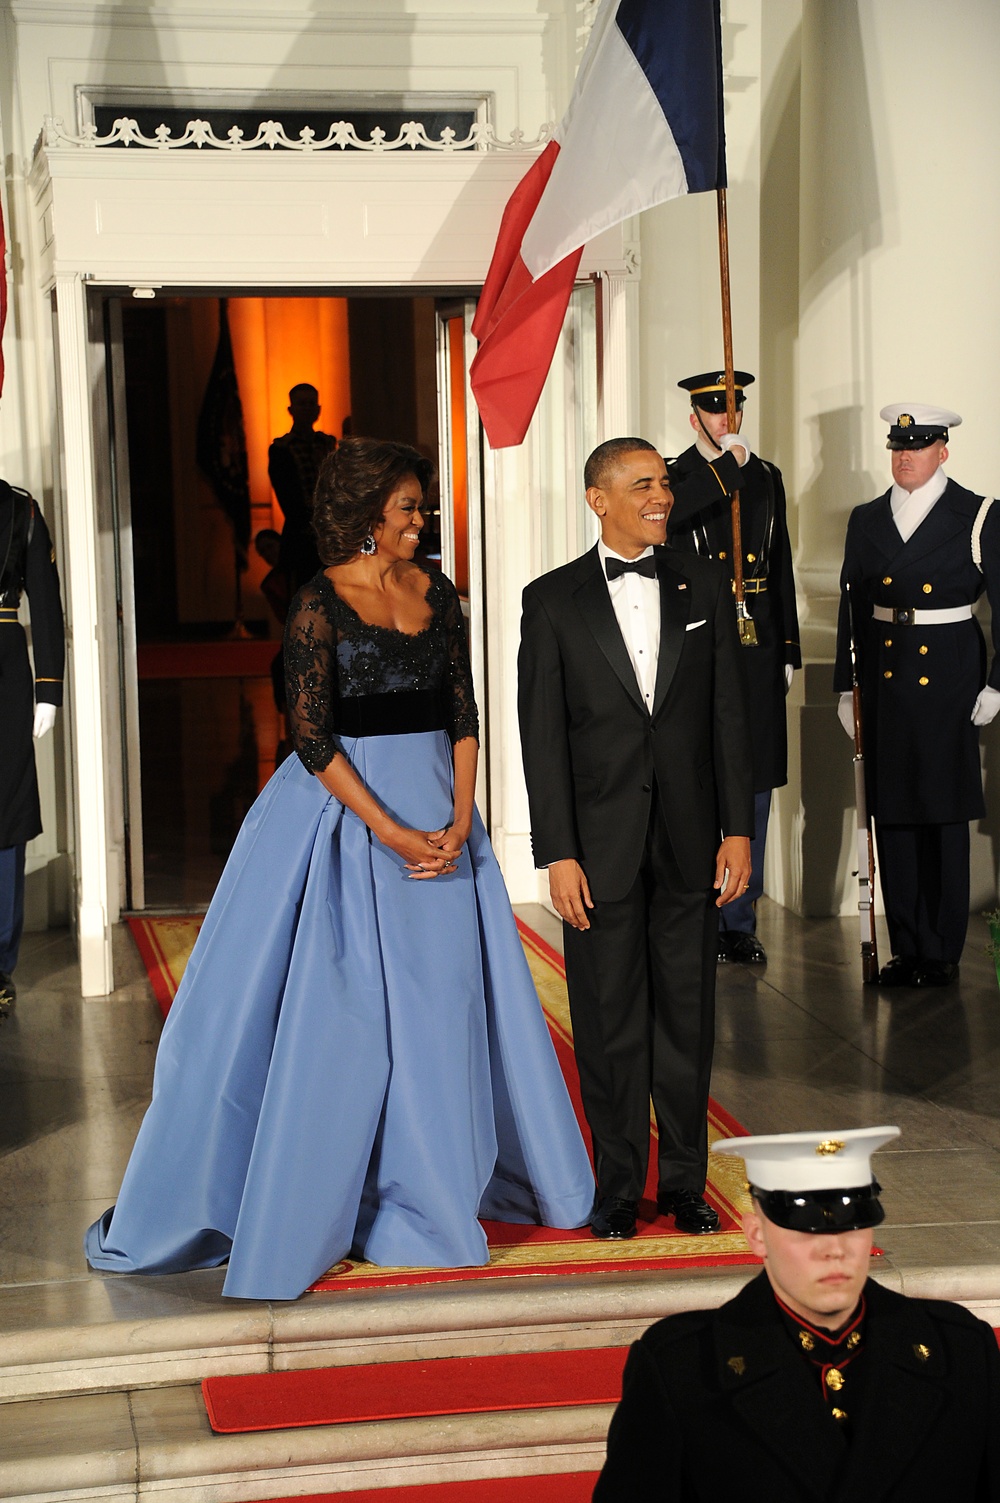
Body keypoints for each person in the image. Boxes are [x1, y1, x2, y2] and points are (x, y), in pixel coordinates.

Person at [86, 437, 594, 1300]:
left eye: (421, 507)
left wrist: (460, 813)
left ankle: (433, 1191)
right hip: (346, 820)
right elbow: (311, 737)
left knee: (443, 1010)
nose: (420, 520)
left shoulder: (442, 595)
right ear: (366, 517)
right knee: (344, 1021)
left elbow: (463, 710)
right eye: (407, 508)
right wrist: (395, 833)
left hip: (443, 812)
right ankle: (322, 1193)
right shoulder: (319, 603)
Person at [517, 438, 753, 1243]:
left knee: (686, 1018)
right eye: (643, 484)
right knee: (610, 1020)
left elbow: (728, 713)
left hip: (692, 841)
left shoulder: (703, 583)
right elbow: (542, 738)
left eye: (664, 483)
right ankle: (618, 1186)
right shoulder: (551, 600)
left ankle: (685, 1182)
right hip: (599, 847)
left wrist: (738, 829)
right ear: (598, 499)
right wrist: (559, 851)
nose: (662, 496)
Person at [595, 1126, 1000, 1500]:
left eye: (851, 1225)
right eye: (806, 1229)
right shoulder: (682, 1369)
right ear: (757, 1234)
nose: (834, 1250)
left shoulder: (961, 1351)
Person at [834, 404, 1000, 988]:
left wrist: (997, 683)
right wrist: (842, 687)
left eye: (919, 446)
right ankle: (906, 944)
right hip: (884, 674)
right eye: (897, 447)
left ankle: (941, 949)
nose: (906, 456)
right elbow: (852, 606)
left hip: (950, 676)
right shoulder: (866, 517)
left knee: (942, 813)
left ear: (943, 451)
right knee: (894, 812)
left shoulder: (978, 515)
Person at [667, 369, 801, 966]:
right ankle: (698, 908)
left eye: (734, 411)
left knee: (753, 783)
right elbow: (672, 523)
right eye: (716, 412)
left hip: (755, 648)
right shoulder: (674, 477)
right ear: (695, 417)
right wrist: (727, 472)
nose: (728, 421)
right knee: (700, 779)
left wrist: (790, 647)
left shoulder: (766, 476)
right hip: (700, 644)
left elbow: (783, 564)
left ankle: (739, 919)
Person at [0, 480, 64, 1020]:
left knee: (6, 810)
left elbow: (44, 599)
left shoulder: (18, 509)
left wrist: (48, 690)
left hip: (4, 673)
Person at [268, 383, 338, 591]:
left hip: (328, 534)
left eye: (311, 403)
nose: (307, 408)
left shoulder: (327, 444)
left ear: (318, 409)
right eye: (302, 403)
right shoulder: (281, 449)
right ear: (291, 409)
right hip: (300, 536)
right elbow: (287, 495)